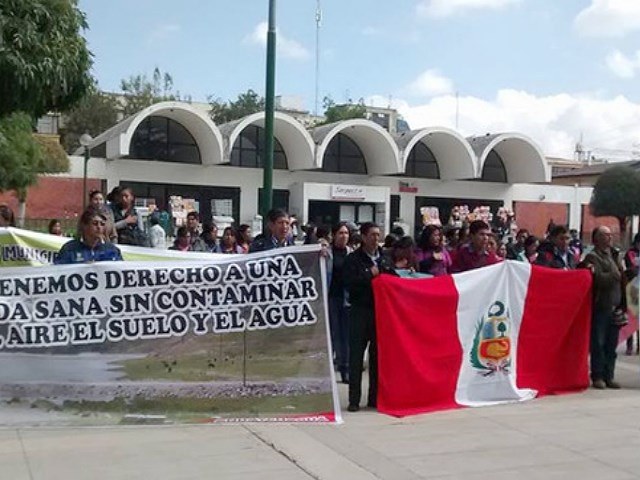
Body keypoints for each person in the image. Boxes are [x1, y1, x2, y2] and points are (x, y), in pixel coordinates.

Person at [579, 226, 626, 390]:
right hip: (601, 306)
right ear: (597, 238)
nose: (609, 237)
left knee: (611, 345)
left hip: (615, 306)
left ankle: (609, 375)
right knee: (598, 343)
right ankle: (598, 375)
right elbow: (595, 278)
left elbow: (622, 278)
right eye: (605, 235)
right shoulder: (592, 256)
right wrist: (613, 276)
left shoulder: (614, 255)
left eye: (610, 234)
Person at [343, 222, 383, 412]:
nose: (376, 238)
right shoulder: (353, 259)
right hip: (359, 311)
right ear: (364, 237)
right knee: (356, 357)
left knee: (377, 357)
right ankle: (353, 399)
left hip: (379, 312)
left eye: (378, 234)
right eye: (372, 235)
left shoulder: (384, 258)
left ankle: (374, 398)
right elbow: (350, 283)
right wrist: (369, 275)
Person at [327, 222, 352, 384]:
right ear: (334, 235)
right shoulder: (326, 253)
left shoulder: (351, 254)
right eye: (341, 233)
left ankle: (345, 368)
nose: (344, 236)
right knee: (332, 334)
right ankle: (329, 369)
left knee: (346, 336)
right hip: (331, 297)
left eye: (346, 233)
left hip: (347, 298)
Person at [54, 207, 122, 264]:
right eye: (95, 223)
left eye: (102, 224)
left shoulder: (112, 250)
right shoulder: (69, 249)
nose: (99, 227)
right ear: (84, 226)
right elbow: (58, 271)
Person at [623, 233, 640, 355]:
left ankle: (639, 345)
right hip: (633, 288)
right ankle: (629, 345)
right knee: (632, 317)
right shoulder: (630, 253)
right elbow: (632, 267)